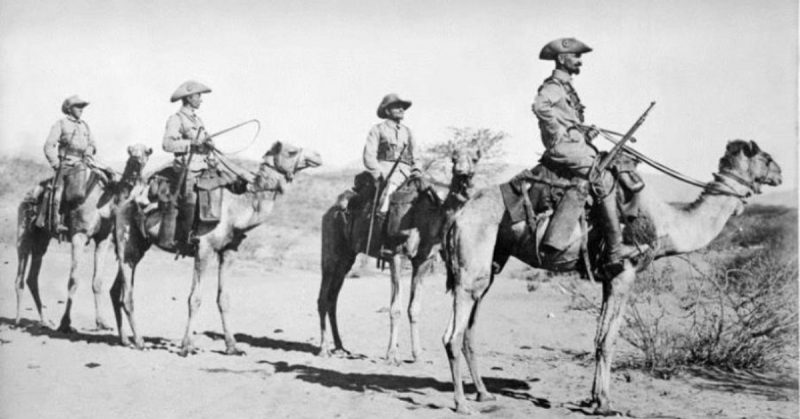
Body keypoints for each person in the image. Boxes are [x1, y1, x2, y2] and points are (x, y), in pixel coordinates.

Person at [532, 37, 637, 271]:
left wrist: (582, 131)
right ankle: (614, 250)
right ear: (562, 58)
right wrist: (558, 133)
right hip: (563, 148)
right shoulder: (553, 87)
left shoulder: (566, 87)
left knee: (614, 166)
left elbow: (565, 118)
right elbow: (540, 107)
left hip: (574, 146)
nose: (580, 61)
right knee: (600, 176)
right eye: (576, 57)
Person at [157, 80, 216, 249]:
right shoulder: (176, 119)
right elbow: (167, 144)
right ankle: (185, 238)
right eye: (198, 96)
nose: (201, 100)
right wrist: (190, 144)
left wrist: (208, 144)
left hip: (202, 166)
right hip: (186, 168)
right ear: (189, 98)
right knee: (190, 199)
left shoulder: (198, 120)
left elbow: (202, 140)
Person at [36, 95, 97, 232]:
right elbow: (48, 146)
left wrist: (88, 153)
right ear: (69, 109)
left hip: (83, 163)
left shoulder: (85, 126)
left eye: (82, 107)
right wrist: (56, 163)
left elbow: (92, 144)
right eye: (78, 106)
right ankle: (55, 222)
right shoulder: (61, 124)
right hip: (66, 164)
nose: (81, 109)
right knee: (58, 191)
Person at [363, 93, 418, 213]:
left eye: (403, 107)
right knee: (386, 203)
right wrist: (378, 174)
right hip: (386, 174)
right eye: (397, 106)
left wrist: (417, 170)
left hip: (407, 176)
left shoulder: (408, 132)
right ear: (387, 111)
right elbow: (369, 156)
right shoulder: (377, 129)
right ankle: (381, 229)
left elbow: (416, 156)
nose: (401, 109)